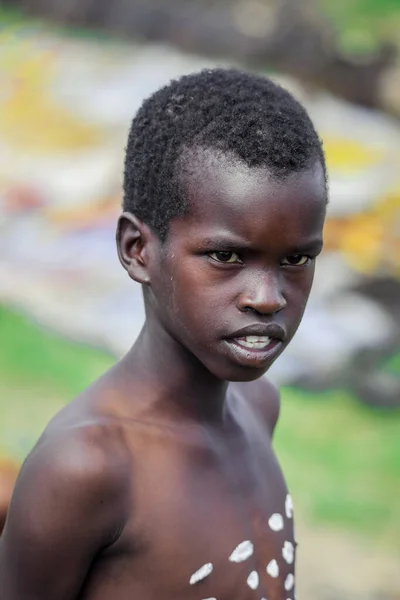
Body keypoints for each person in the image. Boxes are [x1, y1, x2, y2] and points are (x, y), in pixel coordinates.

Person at [0, 68, 327, 600]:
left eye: (296, 258)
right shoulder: (86, 467)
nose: (267, 297)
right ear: (138, 249)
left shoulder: (258, 406)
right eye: (225, 256)